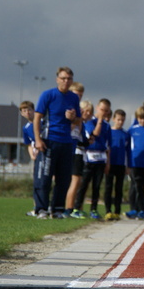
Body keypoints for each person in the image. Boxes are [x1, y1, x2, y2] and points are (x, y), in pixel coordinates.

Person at [33, 67, 81, 219]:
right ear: (57, 79)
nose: (66, 81)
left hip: (66, 142)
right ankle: (41, 208)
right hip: (49, 140)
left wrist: (73, 118)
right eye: (63, 78)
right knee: (45, 177)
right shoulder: (48, 95)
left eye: (69, 79)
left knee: (64, 178)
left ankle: (58, 209)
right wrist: (38, 139)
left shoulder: (73, 98)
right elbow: (37, 117)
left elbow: (79, 120)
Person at [72, 99, 111, 220]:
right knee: (83, 185)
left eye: (106, 111)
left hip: (101, 158)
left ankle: (93, 209)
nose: (103, 112)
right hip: (89, 157)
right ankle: (77, 207)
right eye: (101, 109)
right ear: (97, 108)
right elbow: (94, 134)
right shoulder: (89, 122)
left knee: (97, 186)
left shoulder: (107, 126)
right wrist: (99, 120)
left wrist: (108, 162)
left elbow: (109, 145)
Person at [64, 82, 87, 217]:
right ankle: (69, 208)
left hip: (77, 145)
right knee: (74, 180)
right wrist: (78, 120)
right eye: (77, 94)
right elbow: (70, 126)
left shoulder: (78, 109)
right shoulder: (69, 107)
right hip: (71, 146)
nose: (78, 97)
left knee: (77, 181)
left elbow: (80, 129)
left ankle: (74, 208)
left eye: (81, 95)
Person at [104, 109, 128, 221]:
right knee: (108, 187)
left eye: (122, 120)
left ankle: (117, 211)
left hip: (120, 164)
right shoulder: (109, 132)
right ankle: (108, 211)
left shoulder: (125, 134)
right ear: (114, 119)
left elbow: (128, 151)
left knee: (119, 188)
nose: (120, 122)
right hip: (110, 163)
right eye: (118, 119)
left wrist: (128, 165)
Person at [19, 101, 39, 216]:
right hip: (37, 156)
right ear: (22, 114)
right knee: (37, 182)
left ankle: (53, 206)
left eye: (29, 109)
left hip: (47, 153)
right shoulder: (26, 128)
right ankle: (36, 206)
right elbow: (28, 144)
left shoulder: (42, 122)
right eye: (24, 111)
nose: (27, 112)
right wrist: (32, 155)